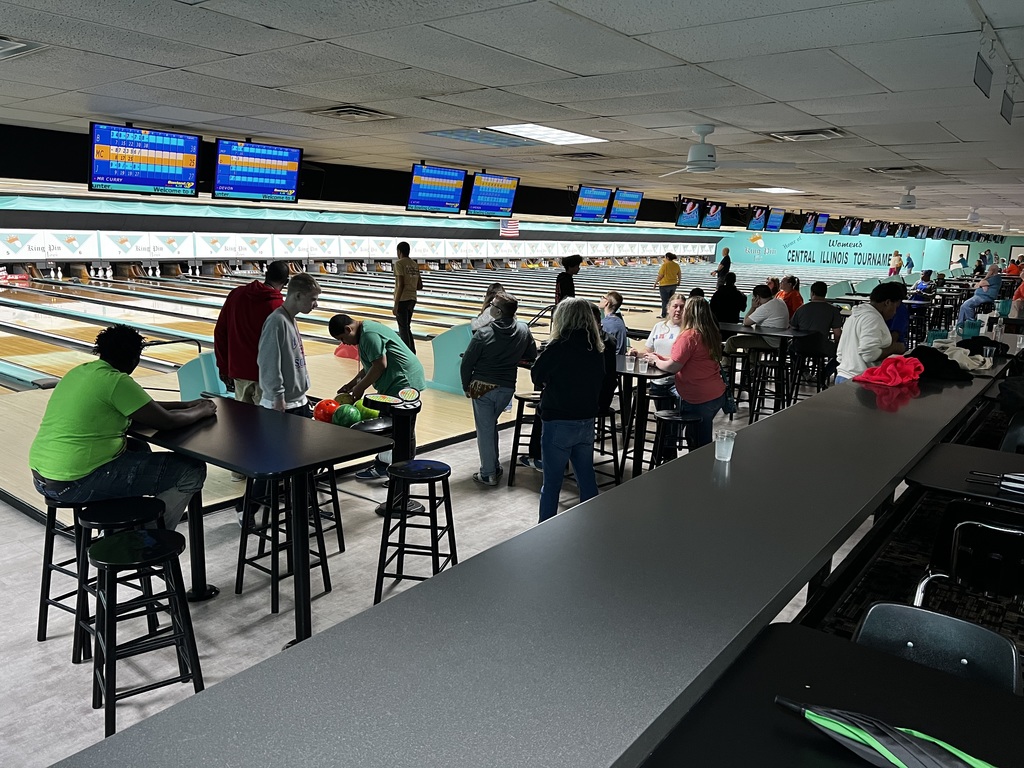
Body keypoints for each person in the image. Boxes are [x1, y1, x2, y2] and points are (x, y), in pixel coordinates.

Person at [29, 324, 214, 531]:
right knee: (191, 469)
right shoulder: (116, 381)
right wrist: (202, 410)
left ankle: (122, 527)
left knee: (138, 448)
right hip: (75, 482)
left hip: (43, 477)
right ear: (135, 358)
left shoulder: (81, 372)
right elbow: (165, 421)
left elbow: (145, 407)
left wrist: (186, 405)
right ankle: (147, 537)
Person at [531, 298, 605, 524]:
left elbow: (537, 376)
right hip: (586, 421)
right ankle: (591, 526)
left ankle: (544, 531)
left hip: (559, 422)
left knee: (552, 483)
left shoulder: (558, 346)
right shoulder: (596, 348)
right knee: (586, 477)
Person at [329, 312, 426, 481]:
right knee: (391, 427)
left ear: (348, 329)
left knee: (402, 429)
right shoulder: (365, 331)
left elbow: (380, 365)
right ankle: (385, 467)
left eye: (342, 338)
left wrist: (359, 389)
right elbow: (370, 365)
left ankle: (402, 475)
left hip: (404, 381)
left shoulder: (369, 335)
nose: (343, 343)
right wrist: (352, 384)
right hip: (395, 381)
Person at [460, 293, 537, 486]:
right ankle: (493, 466)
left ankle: (488, 474)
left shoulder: (484, 333)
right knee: (490, 426)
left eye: (492, 305)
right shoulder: (523, 329)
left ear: (498, 311)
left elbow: (467, 363)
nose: (490, 306)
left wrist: (465, 385)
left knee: (485, 430)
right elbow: (531, 354)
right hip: (507, 388)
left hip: (481, 387)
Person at [642, 298, 726, 448]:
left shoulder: (688, 336)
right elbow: (685, 359)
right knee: (695, 436)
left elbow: (674, 366)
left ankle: (700, 470)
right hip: (716, 395)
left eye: (684, 308)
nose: (681, 311)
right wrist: (659, 357)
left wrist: (655, 362)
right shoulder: (709, 333)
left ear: (690, 313)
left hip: (699, 397)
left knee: (699, 443)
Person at [214, 260, 288, 403]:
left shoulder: (236, 295)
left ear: (266, 274)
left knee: (243, 423)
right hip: (268, 379)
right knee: (268, 424)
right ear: (287, 281)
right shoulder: (279, 308)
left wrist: (223, 367)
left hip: (239, 374)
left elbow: (220, 333)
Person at [257, 272, 321, 417]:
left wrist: (301, 395)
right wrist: (277, 396)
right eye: (312, 299)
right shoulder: (276, 322)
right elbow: (268, 363)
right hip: (282, 405)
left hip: (296, 402)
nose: (315, 304)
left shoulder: (290, 318)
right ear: (297, 296)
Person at [835, 282, 907, 383]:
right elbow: (869, 355)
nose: (895, 312)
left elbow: (840, 353)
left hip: (843, 376)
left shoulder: (854, 316)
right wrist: (894, 348)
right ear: (887, 302)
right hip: (859, 381)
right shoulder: (873, 319)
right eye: (895, 307)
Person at [723, 284, 789, 354]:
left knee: (732, 341)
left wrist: (753, 307)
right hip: (780, 341)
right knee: (748, 342)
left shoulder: (765, 307)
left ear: (757, 297)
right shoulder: (780, 302)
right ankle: (751, 364)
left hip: (769, 341)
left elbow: (746, 322)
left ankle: (726, 364)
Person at [789, 280, 845, 360]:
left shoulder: (801, 309)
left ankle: (802, 369)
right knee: (842, 354)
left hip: (801, 346)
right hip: (822, 347)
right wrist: (838, 345)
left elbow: (792, 328)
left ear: (812, 293)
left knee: (790, 348)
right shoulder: (833, 310)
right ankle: (825, 372)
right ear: (825, 293)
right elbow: (837, 334)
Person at [393, 240, 421, 353]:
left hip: (403, 299)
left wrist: (396, 304)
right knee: (406, 326)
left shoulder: (399, 263)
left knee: (403, 328)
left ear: (399, 251)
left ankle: (407, 353)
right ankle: (412, 351)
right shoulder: (414, 264)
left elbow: (401, 284)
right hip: (412, 299)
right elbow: (420, 285)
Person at [598, 290, 628, 355]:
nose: (600, 299)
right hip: (620, 361)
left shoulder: (605, 324)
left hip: (611, 362)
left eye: (602, 297)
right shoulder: (620, 321)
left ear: (606, 302)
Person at [654, 252, 680, 318]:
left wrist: (655, 282)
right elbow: (679, 274)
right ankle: (671, 314)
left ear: (667, 257)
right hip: (673, 284)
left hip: (664, 285)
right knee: (671, 301)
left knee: (664, 301)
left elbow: (660, 276)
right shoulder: (676, 265)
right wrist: (679, 281)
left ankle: (664, 315)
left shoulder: (664, 265)